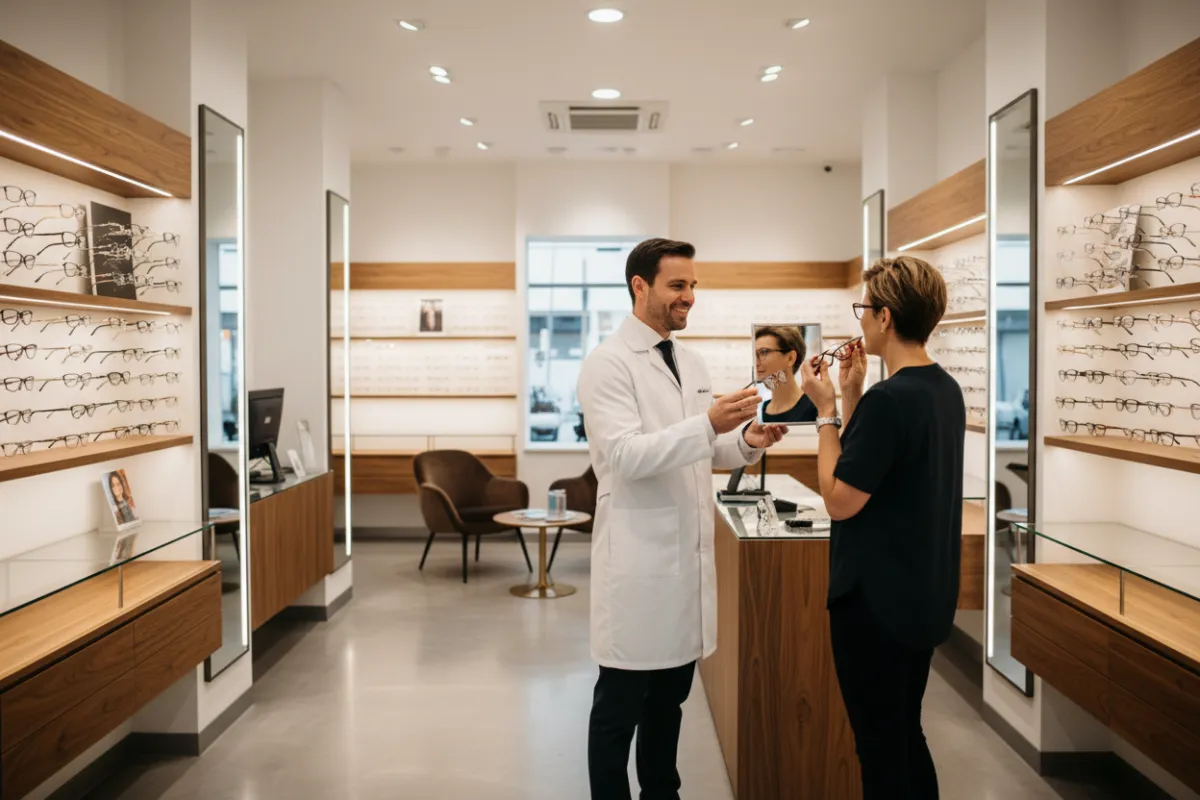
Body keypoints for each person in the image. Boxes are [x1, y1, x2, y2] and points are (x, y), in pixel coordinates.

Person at [578, 237, 786, 800]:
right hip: (639, 568)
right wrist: (708, 425)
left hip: (683, 571)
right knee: (619, 707)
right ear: (639, 286)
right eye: (677, 285)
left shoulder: (688, 361)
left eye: (693, 285)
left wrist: (746, 440)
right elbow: (623, 457)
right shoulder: (607, 365)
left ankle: (661, 793)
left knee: (669, 700)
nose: (689, 297)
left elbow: (704, 449)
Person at [798, 255, 964, 800]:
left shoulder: (892, 401)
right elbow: (885, 468)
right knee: (902, 731)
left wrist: (824, 412)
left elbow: (840, 499)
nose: (861, 320)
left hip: (877, 606)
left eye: (864, 309)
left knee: (880, 745)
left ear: (886, 316)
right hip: (921, 595)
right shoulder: (941, 389)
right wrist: (851, 397)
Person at [754, 325, 818, 424]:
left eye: (764, 352)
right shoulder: (765, 407)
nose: (756, 363)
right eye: (755, 355)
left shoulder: (814, 406)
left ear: (790, 358)